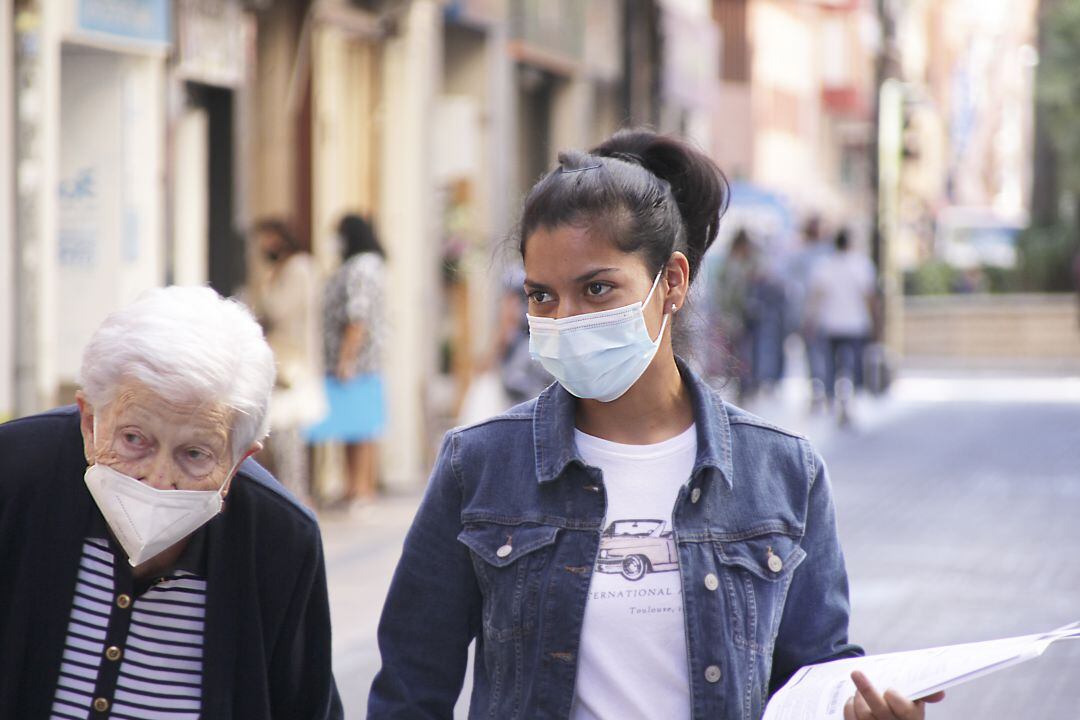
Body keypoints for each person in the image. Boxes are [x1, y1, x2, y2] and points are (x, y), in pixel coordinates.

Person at [367, 130, 943, 720]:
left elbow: (818, 676)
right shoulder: (479, 465)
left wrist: (864, 710)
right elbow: (410, 687)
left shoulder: (782, 473)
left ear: (671, 281)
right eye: (542, 296)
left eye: (597, 289)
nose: (565, 319)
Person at [0, 286, 342, 719]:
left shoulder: (279, 541)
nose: (159, 479)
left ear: (237, 463)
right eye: (134, 440)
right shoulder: (15, 476)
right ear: (90, 422)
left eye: (195, 454)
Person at [306, 213, 387, 507]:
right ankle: (354, 487)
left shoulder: (360, 269)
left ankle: (361, 488)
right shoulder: (371, 266)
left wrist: (346, 359)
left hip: (355, 363)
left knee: (360, 427)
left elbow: (357, 317)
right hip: (362, 362)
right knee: (352, 425)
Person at [248, 218, 326, 504]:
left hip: (293, 361)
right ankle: (288, 491)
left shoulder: (298, 268)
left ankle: (295, 492)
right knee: (281, 431)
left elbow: (278, 309)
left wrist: (264, 285)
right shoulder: (286, 269)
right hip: (283, 357)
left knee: (288, 430)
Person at [807, 229, 878, 426]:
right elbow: (869, 296)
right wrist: (875, 321)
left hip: (830, 324)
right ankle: (849, 400)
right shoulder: (861, 264)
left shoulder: (824, 265)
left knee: (831, 366)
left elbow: (816, 297)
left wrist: (810, 320)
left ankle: (833, 400)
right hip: (855, 324)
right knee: (852, 366)